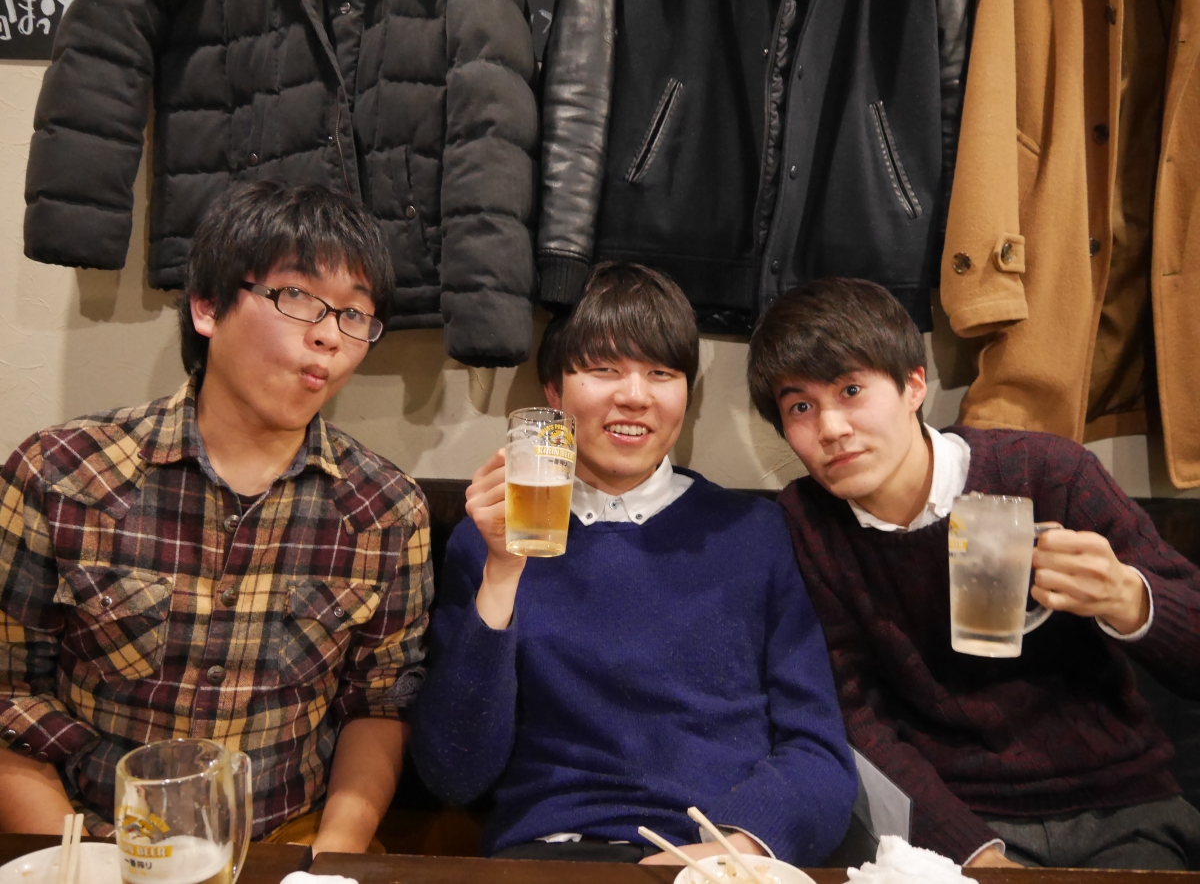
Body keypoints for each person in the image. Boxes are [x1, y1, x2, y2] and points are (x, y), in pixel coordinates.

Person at [0, 182, 432, 854]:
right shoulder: (60, 474)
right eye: (298, 297)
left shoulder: (386, 510)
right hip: (94, 842)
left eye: (354, 314)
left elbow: (377, 706)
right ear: (207, 306)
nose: (328, 335)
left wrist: (327, 862)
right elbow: (9, 693)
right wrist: (71, 859)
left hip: (289, 841)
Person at [746, 276, 1200, 870]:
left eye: (851, 390)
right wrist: (972, 853)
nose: (831, 428)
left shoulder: (1047, 473)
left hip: (1122, 805)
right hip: (958, 825)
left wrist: (1129, 600)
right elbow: (857, 717)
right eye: (801, 407)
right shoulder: (806, 525)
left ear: (914, 385)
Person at [410, 262, 857, 865]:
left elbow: (818, 751)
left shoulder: (754, 535)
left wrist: (732, 851)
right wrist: (502, 572)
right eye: (603, 369)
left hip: (717, 858)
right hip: (549, 854)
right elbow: (453, 775)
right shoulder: (487, 540)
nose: (636, 396)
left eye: (662, 373)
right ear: (553, 392)